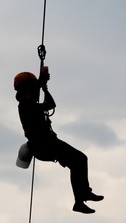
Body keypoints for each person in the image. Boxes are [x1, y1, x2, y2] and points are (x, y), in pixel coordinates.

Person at [14, 68, 104, 214]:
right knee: (79, 159)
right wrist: (43, 87)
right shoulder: (27, 106)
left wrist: (42, 84)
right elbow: (50, 104)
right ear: (26, 91)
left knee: (78, 161)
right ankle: (81, 198)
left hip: (46, 144)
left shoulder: (26, 104)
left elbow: (39, 97)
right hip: (44, 145)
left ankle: (81, 198)